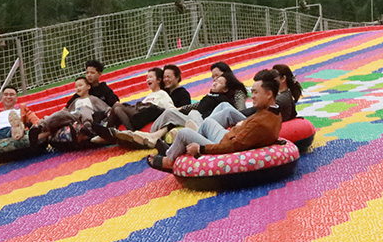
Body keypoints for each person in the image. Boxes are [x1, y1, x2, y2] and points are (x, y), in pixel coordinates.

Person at [147, 69, 283, 172]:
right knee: (207, 122)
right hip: (228, 136)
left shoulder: (261, 122)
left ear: (269, 94)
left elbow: (232, 147)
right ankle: (182, 144)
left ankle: (169, 159)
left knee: (184, 133)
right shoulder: (272, 112)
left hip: (225, 142)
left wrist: (201, 148)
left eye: (255, 92)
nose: (252, 96)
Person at [115, 62, 247, 148]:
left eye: (218, 76)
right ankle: (151, 135)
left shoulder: (234, 93)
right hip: (198, 116)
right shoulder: (213, 94)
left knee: (177, 114)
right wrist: (181, 109)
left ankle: (147, 136)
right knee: (170, 113)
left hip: (208, 120)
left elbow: (239, 111)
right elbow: (199, 105)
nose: (214, 80)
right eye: (213, 77)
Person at [28, 76, 111, 146]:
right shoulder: (75, 101)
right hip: (74, 117)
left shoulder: (93, 99)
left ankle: (87, 127)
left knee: (84, 108)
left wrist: (109, 115)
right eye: (76, 87)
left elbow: (106, 108)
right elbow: (67, 114)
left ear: (88, 87)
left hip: (86, 117)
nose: (78, 88)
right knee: (61, 114)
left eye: (80, 85)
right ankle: (40, 127)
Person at [108, 67, 175, 130]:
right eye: (147, 78)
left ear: (159, 80)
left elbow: (170, 108)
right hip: (138, 112)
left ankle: (126, 131)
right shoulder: (149, 95)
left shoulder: (162, 93)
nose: (148, 80)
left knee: (117, 106)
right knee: (117, 108)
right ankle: (111, 131)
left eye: (151, 77)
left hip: (145, 113)